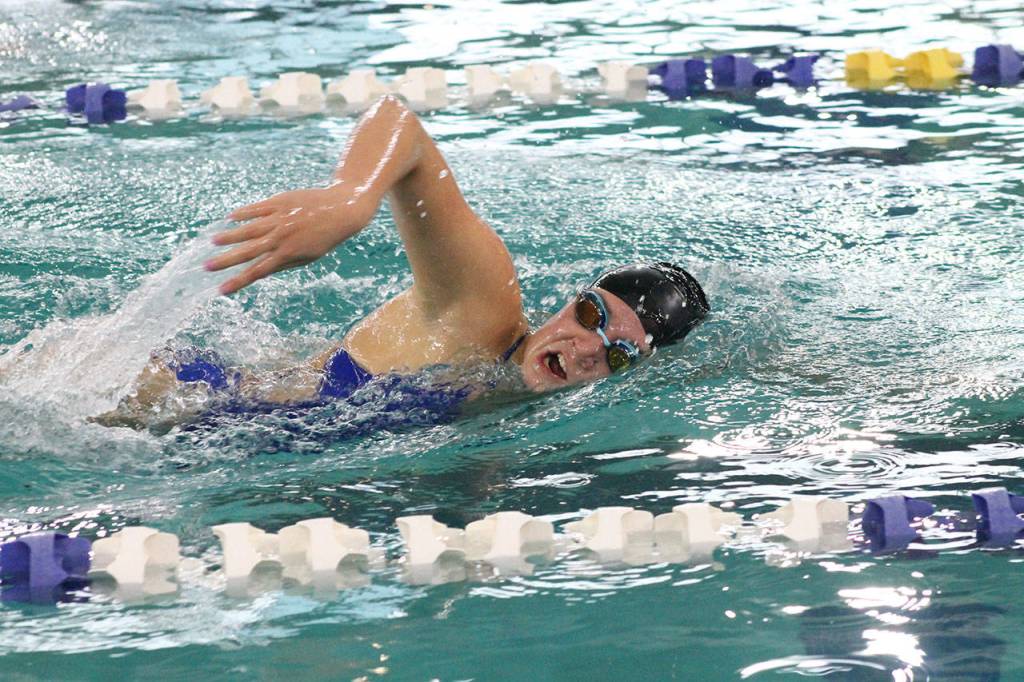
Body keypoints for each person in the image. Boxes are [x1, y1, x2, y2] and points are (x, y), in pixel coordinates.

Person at [98, 95, 709, 429]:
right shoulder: (482, 310)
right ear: (569, 301)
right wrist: (350, 198)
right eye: (588, 314)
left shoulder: (512, 413)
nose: (581, 347)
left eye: (616, 353)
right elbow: (402, 124)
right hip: (160, 393)